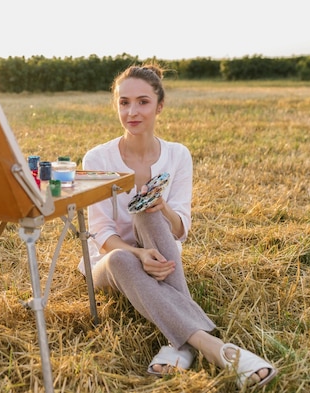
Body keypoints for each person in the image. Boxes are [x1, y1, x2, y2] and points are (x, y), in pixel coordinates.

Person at [78, 64, 277, 388]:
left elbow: (181, 228)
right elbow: (100, 233)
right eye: (124, 102)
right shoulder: (96, 159)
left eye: (142, 101)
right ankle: (212, 347)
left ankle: (179, 346)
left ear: (160, 105)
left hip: (163, 250)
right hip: (110, 262)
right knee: (120, 259)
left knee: (149, 211)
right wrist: (138, 255)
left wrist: (165, 208)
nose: (132, 111)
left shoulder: (178, 155)